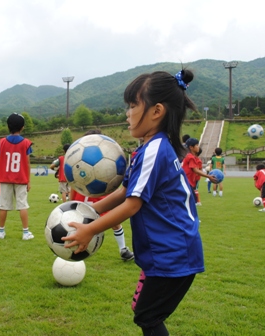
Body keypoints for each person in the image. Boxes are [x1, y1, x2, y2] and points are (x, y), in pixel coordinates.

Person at [63, 70, 205, 335]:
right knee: (144, 313)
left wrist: (90, 229)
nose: (127, 113)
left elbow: (132, 205)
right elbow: (125, 191)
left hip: (173, 253)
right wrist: (89, 210)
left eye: (132, 106)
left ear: (156, 111)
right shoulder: (148, 148)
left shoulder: (155, 149)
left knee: (147, 316)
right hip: (165, 251)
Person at [70, 129, 135, 261]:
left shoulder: (104, 161)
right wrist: (71, 203)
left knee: (115, 222)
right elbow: (73, 184)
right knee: (73, 223)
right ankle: (65, 247)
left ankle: (123, 249)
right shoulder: (76, 162)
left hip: (101, 197)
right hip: (81, 198)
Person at [0, 113, 34, 240]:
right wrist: (28, 181)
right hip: (21, 179)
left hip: (5, 178)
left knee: (3, 205)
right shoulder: (26, 143)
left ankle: (1, 231)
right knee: (22, 205)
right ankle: (25, 232)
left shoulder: (1, 142)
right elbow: (27, 163)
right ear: (22, 127)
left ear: (8, 126)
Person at [182, 138, 217, 206]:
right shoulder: (190, 157)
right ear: (191, 147)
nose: (198, 147)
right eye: (197, 145)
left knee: (188, 204)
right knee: (190, 205)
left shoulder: (189, 156)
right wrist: (208, 176)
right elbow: (196, 170)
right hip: (187, 182)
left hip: (187, 182)